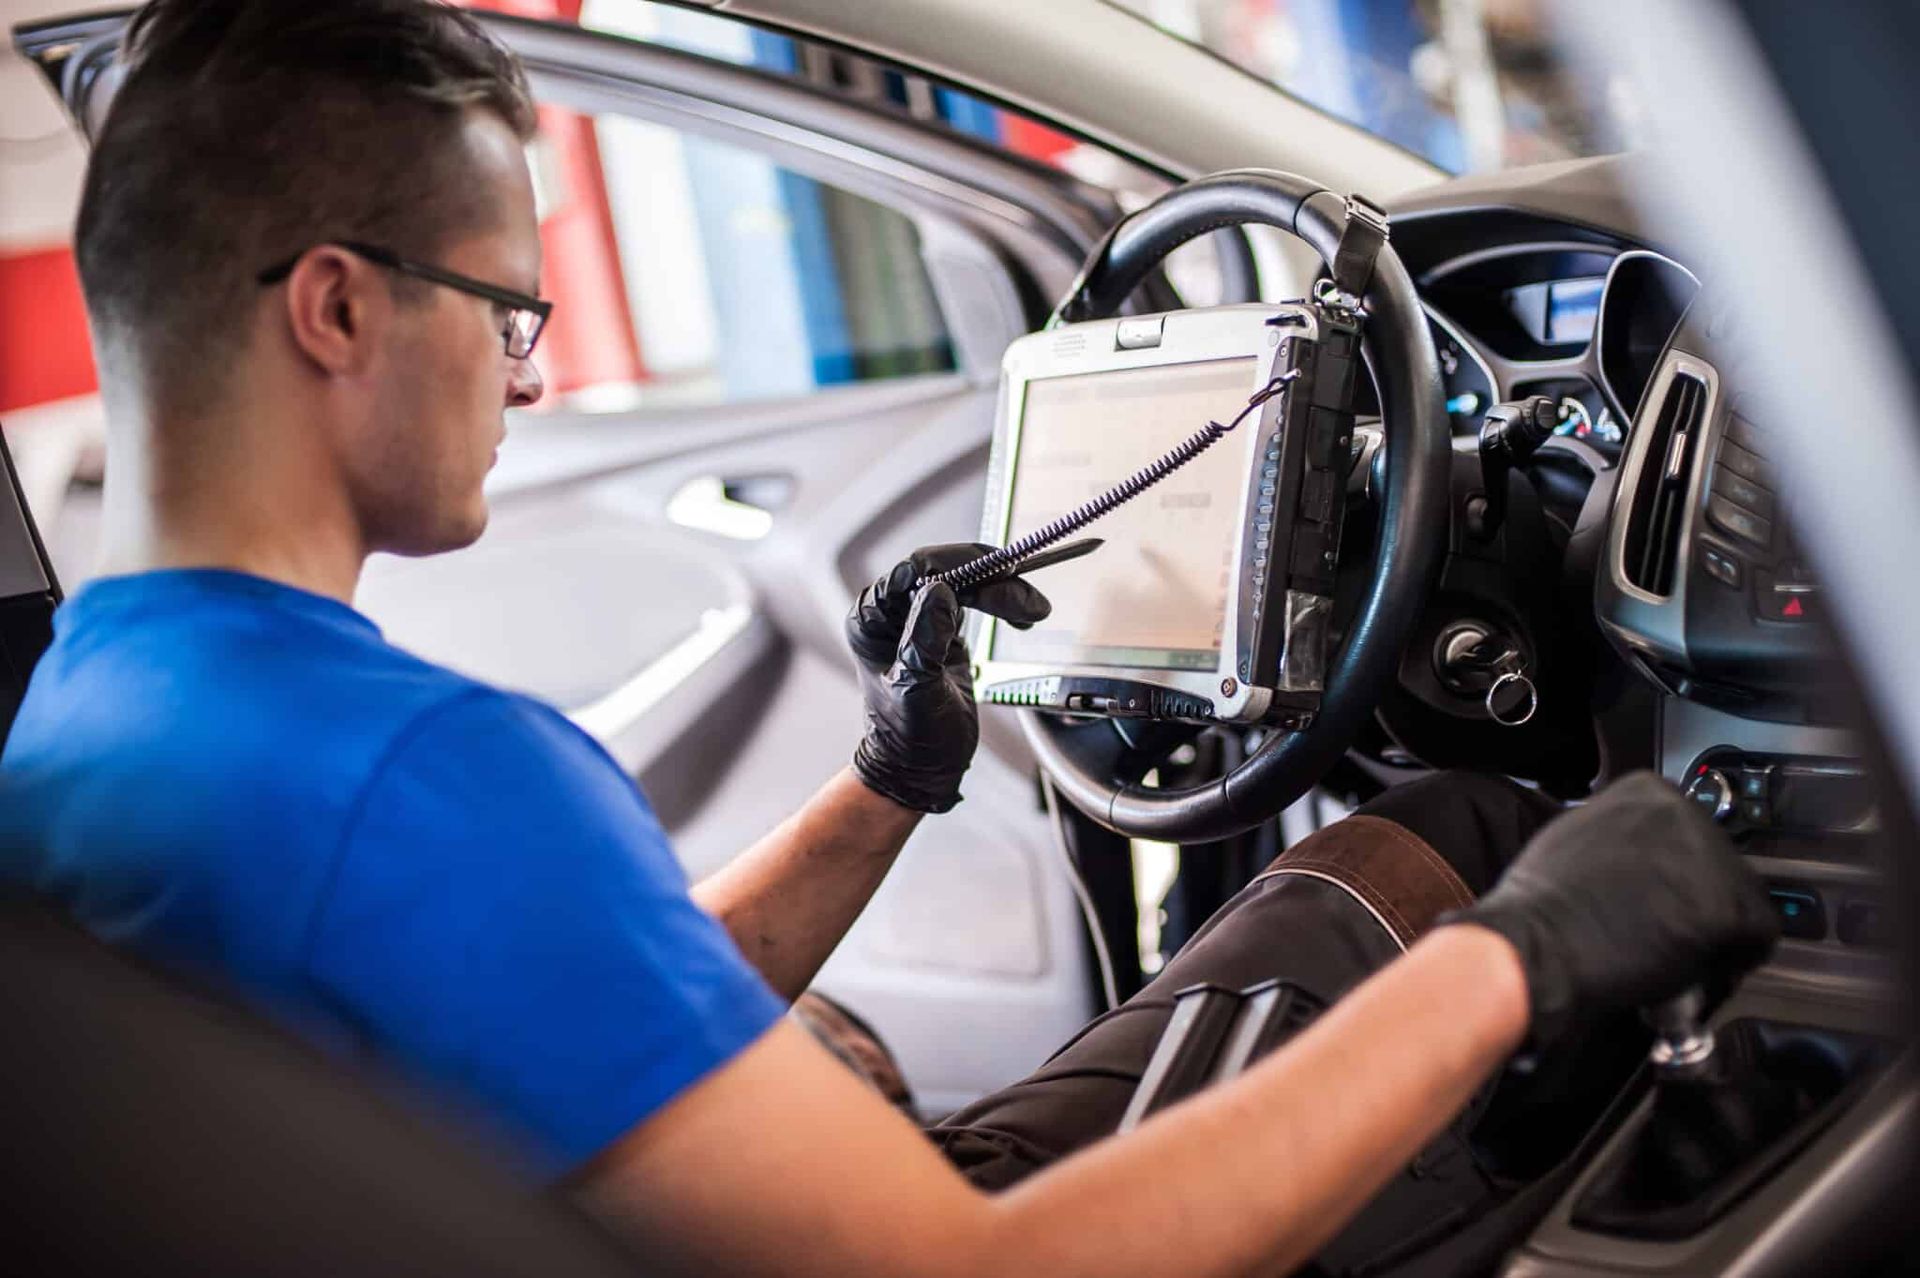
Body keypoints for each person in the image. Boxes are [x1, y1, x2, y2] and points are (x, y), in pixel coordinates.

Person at [0, 2, 1778, 1275]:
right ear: (337, 306)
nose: (529, 377)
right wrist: (1526, 958)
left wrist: (887, 777)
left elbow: (550, 1006)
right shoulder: (410, 780)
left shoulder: (89, 713)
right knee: (1471, 851)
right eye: (509, 311)